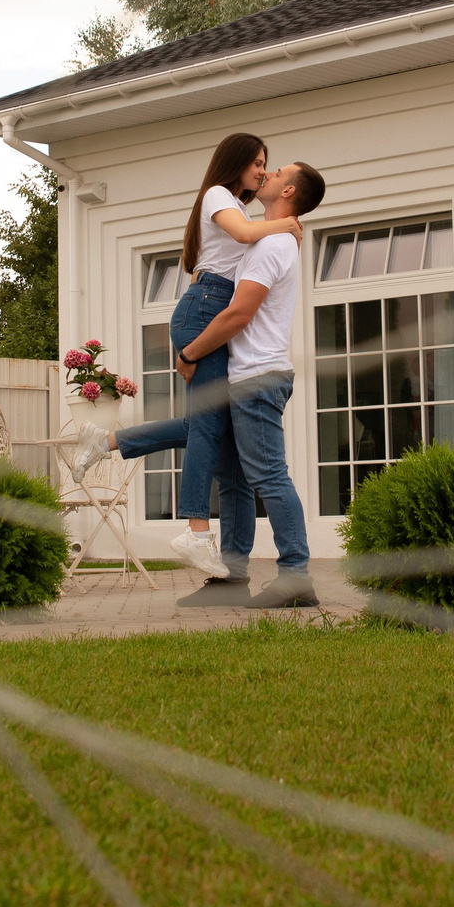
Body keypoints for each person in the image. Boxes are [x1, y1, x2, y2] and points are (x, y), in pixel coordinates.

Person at [80, 160, 328, 606]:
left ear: (289, 191)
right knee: (219, 457)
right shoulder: (266, 237)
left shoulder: (273, 247)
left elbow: (238, 314)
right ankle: (231, 580)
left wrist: (190, 352)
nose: (266, 176)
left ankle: (296, 575)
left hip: (257, 376)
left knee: (268, 475)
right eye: (261, 168)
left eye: (275, 173)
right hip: (244, 374)